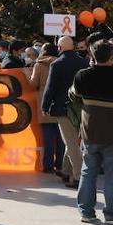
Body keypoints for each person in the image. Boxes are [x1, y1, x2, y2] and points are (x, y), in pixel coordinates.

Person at [70, 40, 113, 224]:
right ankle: (112, 214)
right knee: (112, 174)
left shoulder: (82, 77)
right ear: (111, 57)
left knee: (88, 172)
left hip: (90, 132)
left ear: (92, 55)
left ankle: (86, 212)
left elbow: (73, 96)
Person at [42, 35, 88, 188]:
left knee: (71, 143)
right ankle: (66, 171)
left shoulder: (57, 64)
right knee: (72, 141)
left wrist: (45, 106)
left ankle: (78, 176)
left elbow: (51, 87)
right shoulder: (84, 62)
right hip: (82, 107)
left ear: (59, 48)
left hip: (63, 108)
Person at [30, 42, 63, 175]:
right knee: (61, 135)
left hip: (44, 100)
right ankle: (60, 163)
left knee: (47, 135)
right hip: (60, 99)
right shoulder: (61, 63)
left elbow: (34, 83)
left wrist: (27, 76)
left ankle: (48, 165)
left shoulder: (39, 64)